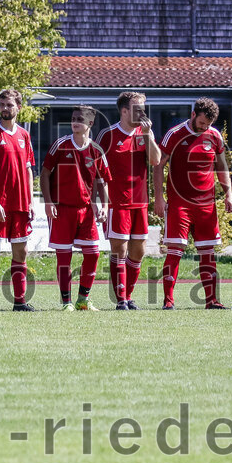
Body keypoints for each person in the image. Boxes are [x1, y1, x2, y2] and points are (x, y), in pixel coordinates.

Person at [154, 97, 232, 310]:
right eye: (201, 123)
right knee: (175, 251)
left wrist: (228, 194)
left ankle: (212, 301)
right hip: (179, 203)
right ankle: (168, 301)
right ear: (193, 115)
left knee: (207, 253)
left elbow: (222, 167)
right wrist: (160, 198)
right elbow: (158, 165)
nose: (204, 127)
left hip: (206, 206)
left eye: (208, 124)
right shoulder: (175, 134)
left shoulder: (214, 136)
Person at [40, 106, 110, 311]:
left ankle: (83, 299)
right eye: (72, 118)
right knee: (64, 256)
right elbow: (45, 174)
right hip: (62, 210)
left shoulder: (97, 150)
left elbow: (102, 180)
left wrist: (104, 206)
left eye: (80, 119)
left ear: (90, 124)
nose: (75, 122)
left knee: (93, 254)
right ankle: (66, 302)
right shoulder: (60, 145)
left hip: (86, 210)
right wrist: (48, 202)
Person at [96, 92, 161, 310]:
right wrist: (99, 202)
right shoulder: (108, 135)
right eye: (137, 109)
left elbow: (156, 160)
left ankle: (128, 295)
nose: (142, 113)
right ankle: (121, 299)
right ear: (124, 111)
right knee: (119, 250)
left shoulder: (144, 133)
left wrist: (148, 135)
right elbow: (95, 171)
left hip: (140, 202)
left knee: (139, 251)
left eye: (143, 108)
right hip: (117, 203)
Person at [0, 90, 36, 312]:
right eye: (1, 104)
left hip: (20, 204)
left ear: (18, 107)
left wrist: (30, 200)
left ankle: (19, 301)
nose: (4, 108)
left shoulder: (24, 135)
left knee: (21, 252)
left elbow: (29, 170)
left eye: (9, 104)